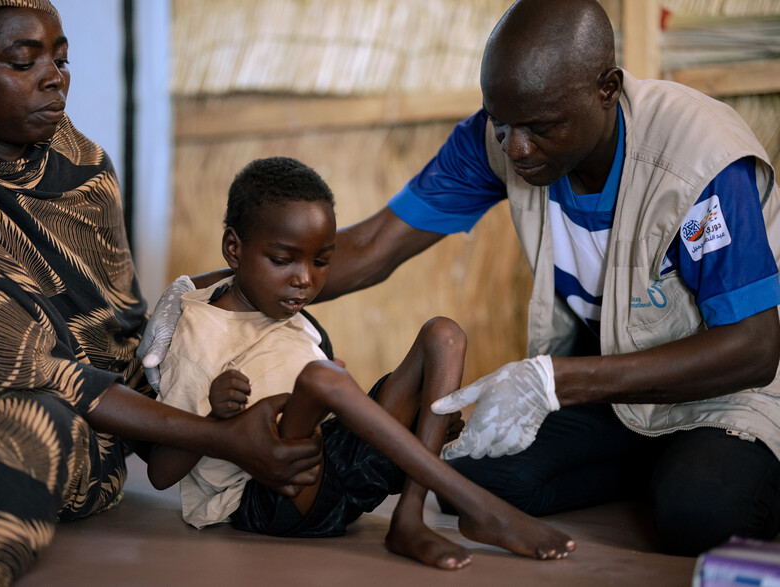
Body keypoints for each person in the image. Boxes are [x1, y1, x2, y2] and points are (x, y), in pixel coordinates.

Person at [140, 0, 780, 557]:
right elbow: (370, 245)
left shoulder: (696, 161)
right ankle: (653, 463)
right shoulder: (499, 137)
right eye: (502, 124)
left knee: (702, 513)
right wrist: (206, 292)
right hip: (616, 391)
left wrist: (555, 379)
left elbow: (752, 349)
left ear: (607, 89)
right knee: (476, 475)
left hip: (721, 396)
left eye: (540, 127)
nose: (517, 148)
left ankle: (702, 464)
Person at [0, 2, 324, 585]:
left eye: (61, 57)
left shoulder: (85, 169)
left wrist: (219, 367)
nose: (54, 77)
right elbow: (32, 368)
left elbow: (126, 340)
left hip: (96, 436)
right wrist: (221, 438)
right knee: (30, 428)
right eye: (23, 63)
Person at [148, 156, 576, 569]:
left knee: (442, 335)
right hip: (268, 495)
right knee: (322, 378)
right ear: (233, 248)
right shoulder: (200, 340)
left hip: (333, 462)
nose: (305, 279)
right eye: (283, 260)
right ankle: (477, 504)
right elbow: (162, 473)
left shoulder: (283, 308)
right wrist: (215, 416)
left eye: (321, 261)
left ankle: (408, 517)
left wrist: (415, 417)